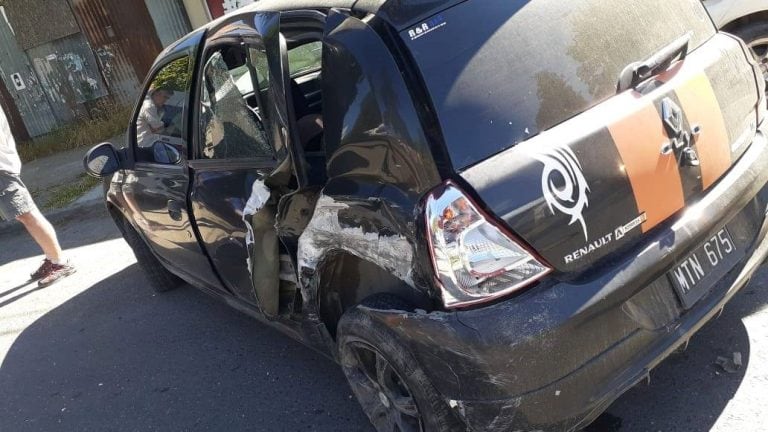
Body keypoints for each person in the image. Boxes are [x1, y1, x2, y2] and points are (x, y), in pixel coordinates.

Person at [0, 109, 75, 287]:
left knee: (26, 213)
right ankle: (52, 258)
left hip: (2, 170)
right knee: (23, 214)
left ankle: (60, 262)